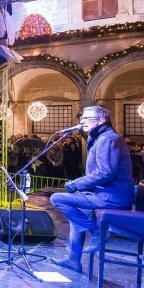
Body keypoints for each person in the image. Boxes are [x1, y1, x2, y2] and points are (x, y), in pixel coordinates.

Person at [50, 106, 134, 273]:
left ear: (101, 120)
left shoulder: (107, 139)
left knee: (57, 198)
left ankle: (96, 232)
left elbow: (105, 173)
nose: (82, 122)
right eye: (82, 118)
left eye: (88, 118)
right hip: (105, 193)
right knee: (76, 216)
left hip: (111, 197)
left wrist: (77, 184)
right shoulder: (102, 138)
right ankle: (74, 259)